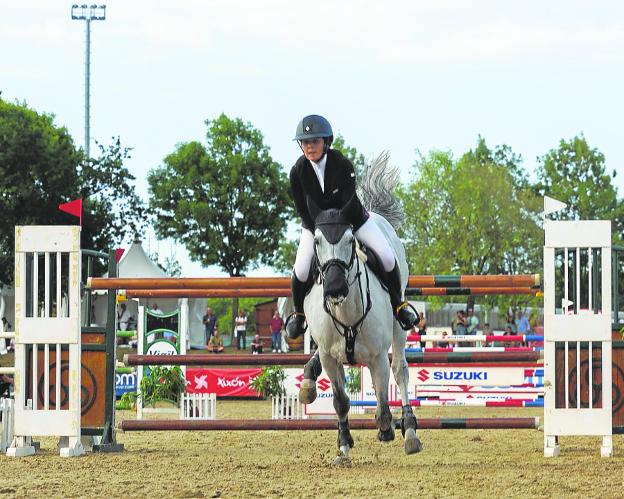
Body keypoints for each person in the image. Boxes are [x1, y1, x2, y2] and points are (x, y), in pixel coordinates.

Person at [285, 114, 417, 340]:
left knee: (386, 256)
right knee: (301, 268)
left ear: (326, 142)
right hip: (315, 226)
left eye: (314, 141)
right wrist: (321, 230)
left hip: (353, 220)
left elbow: (348, 202)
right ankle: (299, 315)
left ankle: (399, 305)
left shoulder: (342, 165)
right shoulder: (297, 172)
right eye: (305, 142)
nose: (310, 146)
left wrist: (339, 227)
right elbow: (303, 211)